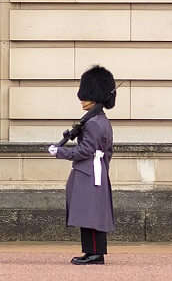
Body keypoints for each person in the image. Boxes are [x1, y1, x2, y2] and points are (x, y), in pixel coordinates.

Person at [48, 65, 117, 265]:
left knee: (91, 214)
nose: (82, 99)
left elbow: (85, 150)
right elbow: (107, 152)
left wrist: (59, 151)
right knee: (89, 213)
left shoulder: (95, 122)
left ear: (95, 97)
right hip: (94, 170)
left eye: (86, 96)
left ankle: (95, 253)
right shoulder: (97, 120)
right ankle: (91, 251)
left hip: (89, 172)